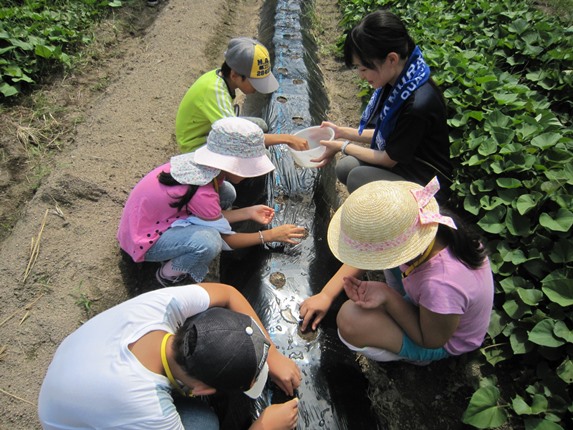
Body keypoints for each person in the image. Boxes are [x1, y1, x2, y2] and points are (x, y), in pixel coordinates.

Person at [38, 282, 301, 429]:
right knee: (203, 424)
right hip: (65, 421)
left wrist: (273, 355)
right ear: (202, 390)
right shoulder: (149, 409)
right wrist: (263, 427)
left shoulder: (167, 308)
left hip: (75, 365)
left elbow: (229, 293)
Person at [299, 178, 494, 364]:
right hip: (432, 303)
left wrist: (388, 297)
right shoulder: (422, 227)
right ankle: (403, 301)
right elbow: (371, 252)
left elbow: (431, 340)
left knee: (350, 321)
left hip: (441, 338)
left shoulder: (440, 284)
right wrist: (326, 294)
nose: (369, 258)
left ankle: (416, 360)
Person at [117, 117, 306, 287]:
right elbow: (226, 241)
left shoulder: (205, 168)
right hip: (143, 238)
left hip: (146, 219)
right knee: (209, 242)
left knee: (227, 193)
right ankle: (167, 275)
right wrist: (270, 235)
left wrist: (248, 212)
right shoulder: (202, 193)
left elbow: (213, 207)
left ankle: (194, 231)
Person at [313, 10, 453, 203]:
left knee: (358, 178)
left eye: (364, 68)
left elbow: (387, 158)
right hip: (406, 162)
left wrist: (342, 146)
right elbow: (386, 134)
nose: (361, 76)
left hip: (425, 182)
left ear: (392, 59)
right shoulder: (401, 81)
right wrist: (341, 132)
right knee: (346, 167)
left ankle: (400, 223)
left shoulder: (416, 104)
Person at [175, 36, 308, 154]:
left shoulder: (222, 80)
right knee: (261, 157)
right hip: (196, 146)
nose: (257, 88)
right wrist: (287, 139)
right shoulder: (214, 92)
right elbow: (236, 138)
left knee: (260, 125)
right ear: (235, 75)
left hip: (212, 131)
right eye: (254, 82)